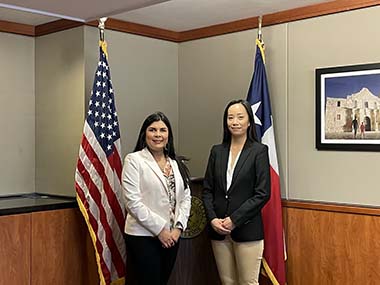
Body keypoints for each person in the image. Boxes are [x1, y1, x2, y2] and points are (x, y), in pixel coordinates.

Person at [202, 99, 271, 285]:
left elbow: (262, 193)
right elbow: (207, 190)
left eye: (240, 117)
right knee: (227, 282)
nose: (235, 122)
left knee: (248, 282)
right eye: (230, 117)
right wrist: (213, 219)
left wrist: (234, 220)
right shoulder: (217, 151)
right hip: (218, 231)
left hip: (247, 230)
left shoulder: (259, 151)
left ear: (249, 121)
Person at [122, 112, 191, 285]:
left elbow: (185, 198)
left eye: (163, 130)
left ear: (169, 135)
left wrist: (178, 228)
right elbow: (133, 202)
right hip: (143, 236)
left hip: (172, 236)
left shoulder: (176, 163)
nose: (158, 135)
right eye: (152, 130)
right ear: (144, 134)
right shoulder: (134, 160)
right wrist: (161, 230)